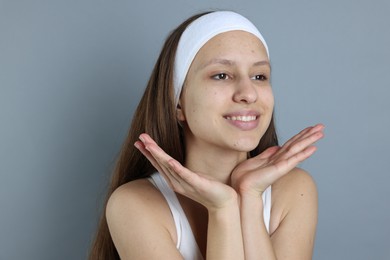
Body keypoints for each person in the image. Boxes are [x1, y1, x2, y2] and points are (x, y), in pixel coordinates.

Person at [89, 10, 324, 260]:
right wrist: (223, 209)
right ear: (178, 103)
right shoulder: (135, 205)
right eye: (221, 75)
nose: (249, 93)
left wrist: (250, 198)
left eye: (259, 76)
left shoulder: (294, 190)